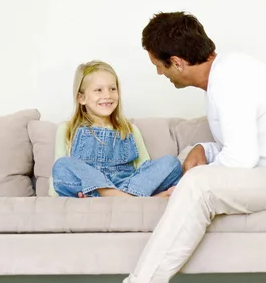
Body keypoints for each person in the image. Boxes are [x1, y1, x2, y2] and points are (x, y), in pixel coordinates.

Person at [54, 12, 266, 283]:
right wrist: (203, 150)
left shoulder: (231, 80)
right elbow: (250, 147)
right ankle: (143, 203)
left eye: (159, 66)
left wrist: (193, 178)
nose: (160, 74)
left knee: (197, 184)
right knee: (187, 167)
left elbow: (243, 158)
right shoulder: (226, 76)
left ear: (176, 62)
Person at [50, 60, 182, 198]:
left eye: (112, 89)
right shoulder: (67, 129)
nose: (107, 95)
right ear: (81, 98)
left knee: (171, 163)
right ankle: (126, 198)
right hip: (91, 187)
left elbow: (144, 167)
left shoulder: (130, 129)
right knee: (62, 165)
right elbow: (58, 176)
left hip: (127, 184)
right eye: (98, 90)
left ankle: (119, 196)